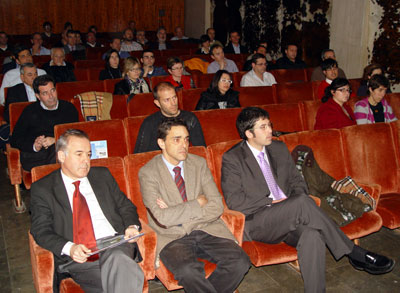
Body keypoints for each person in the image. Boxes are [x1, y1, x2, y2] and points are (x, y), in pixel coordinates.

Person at [221, 106, 395, 292]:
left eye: (269, 125)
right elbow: (235, 201)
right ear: (249, 133)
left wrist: (293, 202)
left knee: (311, 235)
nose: (270, 130)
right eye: (263, 127)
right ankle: (353, 252)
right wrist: (275, 203)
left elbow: (297, 181)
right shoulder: (233, 158)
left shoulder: (278, 148)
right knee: (301, 202)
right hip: (259, 221)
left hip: (293, 214)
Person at [139, 118, 250, 292]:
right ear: (161, 143)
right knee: (188, 271)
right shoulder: (148, 173)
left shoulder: (198, 164)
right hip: (172, 236)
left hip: (208, 229)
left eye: (186, 139)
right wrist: (198, 202)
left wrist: (177, 214)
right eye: (177, 139)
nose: (184, 145)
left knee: (240, 261)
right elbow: (162, 219)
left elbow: (216, 205)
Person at [30, 129, 144, 292]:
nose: (86, 161)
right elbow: (40, 230)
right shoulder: (43, 189)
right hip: (79, 258)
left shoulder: (102, 175)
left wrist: (132, 226)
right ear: (62, 156)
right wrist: (70, 248)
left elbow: (125, 206)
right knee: (121, 278)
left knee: (117, 258)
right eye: (79, 154)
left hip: (115, 244)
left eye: (88, 154)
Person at [10, 75, 78, 171]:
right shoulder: (29, 111)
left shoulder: (69, 108)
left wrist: (56, 140)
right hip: (36, 156)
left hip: (62, 153)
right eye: (45, 93)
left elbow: (77, 135)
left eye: (52, 90)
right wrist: (34, 146)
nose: (51, 96)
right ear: (38, 96)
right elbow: (15, 139)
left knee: (59, 152)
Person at [134, 82, 205, 153]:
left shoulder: (190, 118)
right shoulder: (149, 122)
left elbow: (201, 149)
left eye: (174, 97)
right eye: (167, 100)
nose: (173, 103)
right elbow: (139, 155)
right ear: (157, 103)